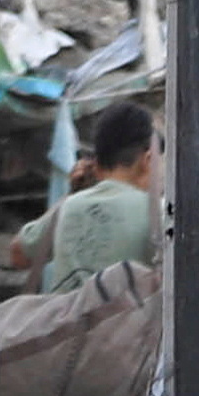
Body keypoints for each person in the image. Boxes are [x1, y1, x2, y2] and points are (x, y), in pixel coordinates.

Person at [43, 103, 161, 294]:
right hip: (133, 323)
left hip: (66, 322)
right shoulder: (161, 214)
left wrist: (72, 194)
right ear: (147, 161)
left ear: (95, 166)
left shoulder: (67, 207)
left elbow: (18, 254)